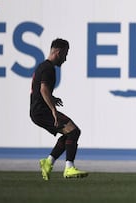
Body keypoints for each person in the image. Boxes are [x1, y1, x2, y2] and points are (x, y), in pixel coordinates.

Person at [30, 38, 88, 180]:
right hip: (42, 111)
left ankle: (48, 162)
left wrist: (52, 98)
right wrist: (54, 111)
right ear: (58, 52)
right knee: (74, 131)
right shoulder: (48, 68)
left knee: (70, 133)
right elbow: (43, 90)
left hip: (38, 111)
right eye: (65, 54)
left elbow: (41, 90)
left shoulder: (43, 66)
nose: (65, 59)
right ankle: (69, 168)